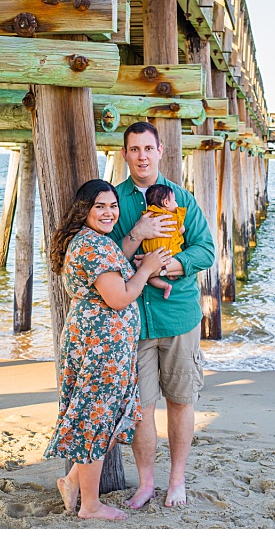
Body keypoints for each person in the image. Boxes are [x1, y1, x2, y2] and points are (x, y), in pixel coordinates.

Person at [44, 179, 169, 520]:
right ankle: (90, 505)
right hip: (101, 346)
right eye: (100, 206)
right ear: (84, 209)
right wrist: (145, 270)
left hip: (105, 345)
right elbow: (119, 297)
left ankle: (72, 482)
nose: (109, 212)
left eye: (113, 205)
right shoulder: (93, 246)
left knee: (113, 417)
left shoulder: (92, 241)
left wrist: (140, 264)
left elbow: (114, 281)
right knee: (97, 420)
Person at [108, 121, 216, 508]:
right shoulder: (113, 201)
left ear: (160, 151)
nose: (141, 156)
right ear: (125, 154)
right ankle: (145, 483)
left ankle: (176, 482)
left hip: (179, 316)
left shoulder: (181, 198)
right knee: (141, 408)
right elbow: (104, 258)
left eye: (147, 149)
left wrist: (172, 266)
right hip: (132, 321)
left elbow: (206, 249)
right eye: (134, 149)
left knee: (182, 401)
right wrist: (136, 234)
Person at [141, 184, 187, 300]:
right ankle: (171, 274)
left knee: (148, 276)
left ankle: (165, 286)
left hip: (150, 255)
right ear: (166, 203)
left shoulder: (147, 215)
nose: (176, 204)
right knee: (175, 256)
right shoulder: (173, 216)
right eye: (174, 200)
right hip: (168, 253)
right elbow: (181, 229)